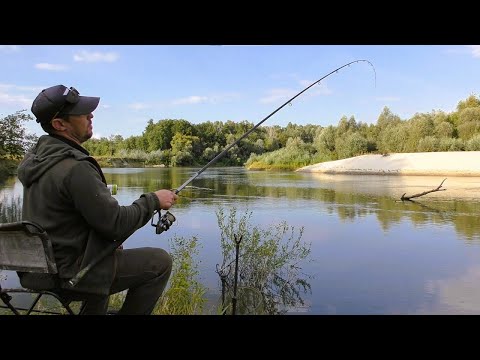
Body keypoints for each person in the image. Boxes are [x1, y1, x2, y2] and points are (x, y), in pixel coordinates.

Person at [16, 84, 178, 315]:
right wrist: (153, 200)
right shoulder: (74, 167)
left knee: (110, 253)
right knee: (159, 262)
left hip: (39, 272)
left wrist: (105, 242)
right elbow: (116, 224)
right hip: (72, 274)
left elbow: (70, 221)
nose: (90, 115)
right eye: (82, 112)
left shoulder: (39, 162)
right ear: (59, 124)